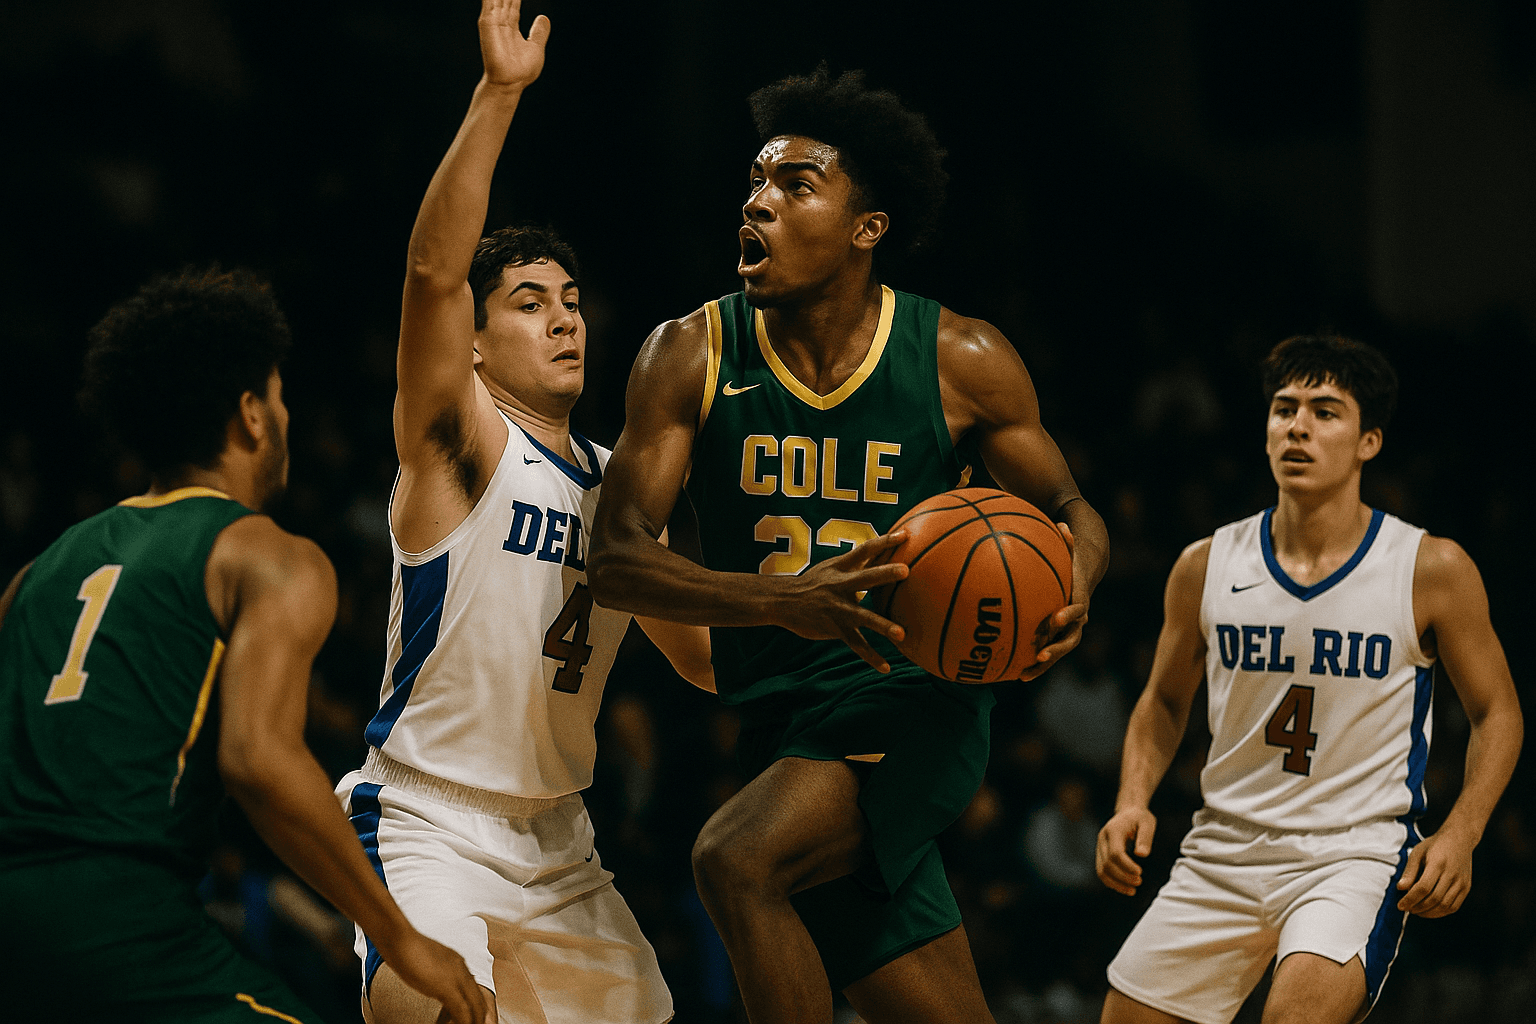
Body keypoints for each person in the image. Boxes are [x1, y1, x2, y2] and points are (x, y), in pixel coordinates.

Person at [587, 66, 1110, 1024]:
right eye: (756, 182)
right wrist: (781, 602)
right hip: (780, 722)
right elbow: (616, 560)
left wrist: (1076, 581)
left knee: (735, 862)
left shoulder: (960, 357)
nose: (759, 202)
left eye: (796, 186)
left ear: (867, 227)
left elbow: (1071, 507)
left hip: (912, 697)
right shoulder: (690, 352)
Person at [336, 3, 713, 1023]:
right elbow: (432, 273)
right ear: (473, 340)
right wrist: (499, 92)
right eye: (531, 302)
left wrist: (832, 615)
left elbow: (705, 661)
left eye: (572, 301)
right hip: (425, 817)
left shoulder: (627, 487)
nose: (563, 318)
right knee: (434, 1010)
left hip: (559, 842)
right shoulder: (460, 442)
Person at [0, 268, 487, 1024]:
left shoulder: (34, 576)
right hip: (121, 915)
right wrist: (401, 938)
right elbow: (257, 758)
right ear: (252, 415)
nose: (287, 415)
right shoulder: (266, 556)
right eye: (280, 395)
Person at [1094, 334, 1524, 1024]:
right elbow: (1164, 701)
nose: (1298, 426)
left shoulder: (1430, 567)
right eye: (1284, 408)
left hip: (1354, 853)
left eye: (1325, 412)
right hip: (1222, 848)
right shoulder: (1205, 564)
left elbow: (1497, 712)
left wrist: (1461, 833)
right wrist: (1131, 800)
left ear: (1369, 442)